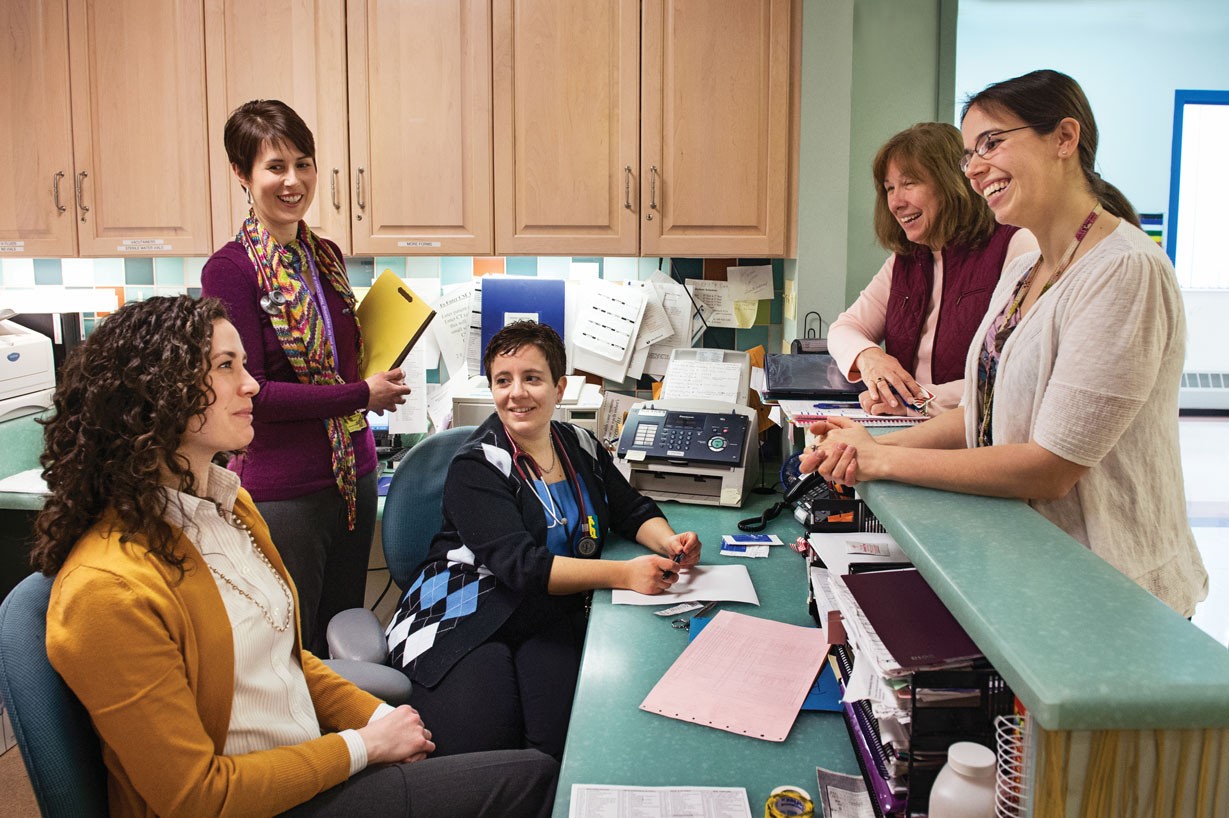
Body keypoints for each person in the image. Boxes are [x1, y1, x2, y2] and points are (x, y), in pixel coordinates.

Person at [31, 296, 558, 818]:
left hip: (303, 764)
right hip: (256, 803)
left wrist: (379, 716)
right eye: (225, 366)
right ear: (153, 393)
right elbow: (196, 798)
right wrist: (364, 747)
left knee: (498, 759)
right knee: (533, 781)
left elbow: (282, 657)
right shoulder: (107, 589)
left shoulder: (228, 504)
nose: (252, 383)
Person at [803, 70, 1208, 617]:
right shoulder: (1027, 269)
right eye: (970, 154)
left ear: (1065, 139)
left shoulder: (1123, 271)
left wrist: (883, 463)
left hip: (1112, 590)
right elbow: (982, 414)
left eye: (991, 143)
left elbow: (1050, 467)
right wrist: (869, 445)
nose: (974, 168)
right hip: (1032, 569)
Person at [385, 321, 701, 760]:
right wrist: (625, 575)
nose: (517, 393)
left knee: (559, 745)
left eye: (532, 378)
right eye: (503, 380)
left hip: (543, 610)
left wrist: (670, 542)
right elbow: (522, 566)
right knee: (487, 751)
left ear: (559, 387)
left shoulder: (581, 444)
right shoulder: (476, 466)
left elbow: (630, 509)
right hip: (462, 611)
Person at [202, 100, 410, 656]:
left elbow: (343, 368)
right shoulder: (229, 270)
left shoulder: (326, 255)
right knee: (292, 649)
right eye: (275, 167)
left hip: (354, 475)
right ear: (242, 175)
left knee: (346, 636)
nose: (292, 181)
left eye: (304, 163)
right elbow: (256, 393)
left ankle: (349, 743)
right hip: (284, 494)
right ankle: (309, 747)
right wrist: (360, 394)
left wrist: (372, 382)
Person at [828, 122, 1037, 416]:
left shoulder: (1016, 246)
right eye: (889, 188)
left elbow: (1013, 375)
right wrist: (869, 356)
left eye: (909, 183)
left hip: (968, 438)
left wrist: (916, 401)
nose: (896, 202)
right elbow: (843, 329)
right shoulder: (906, 260)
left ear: (952, 182)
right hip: (911, 425)